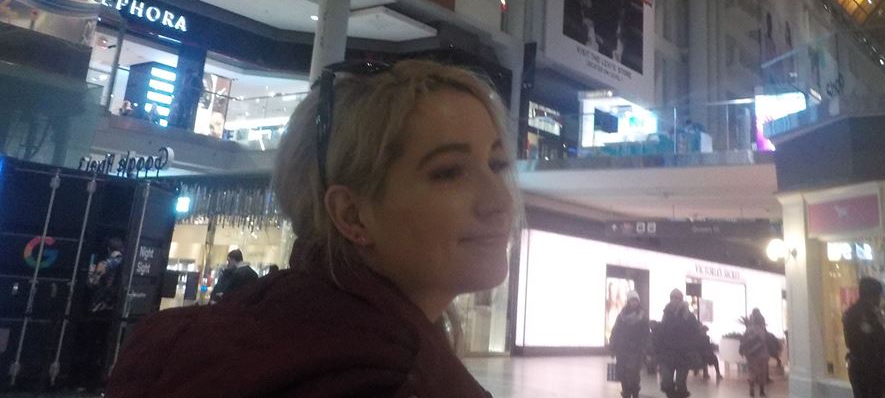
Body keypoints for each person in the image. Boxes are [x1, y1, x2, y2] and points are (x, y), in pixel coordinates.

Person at [106, 60, 515, 397]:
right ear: (352, 215)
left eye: (497, 164)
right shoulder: (389, 379)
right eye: (449, 172)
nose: (500, 200)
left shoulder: (207, 338)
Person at [71, 237, 124, 392]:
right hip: (114, 310)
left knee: (91, 345)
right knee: (106, 345)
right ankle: (102, 380)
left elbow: (92, 282)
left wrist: (90, 275)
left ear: (108, 249)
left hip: (98, 309)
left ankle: (86, 382)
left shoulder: (106, 263)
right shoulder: (124, 262)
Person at [842, 276, 885, 398]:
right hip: (868, 370)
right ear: (870, 296)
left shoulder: (855, 313)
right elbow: (869, 342)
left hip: (865, 368)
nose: (879, 299)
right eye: (878, 295)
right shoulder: (863, 315)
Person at [655, 288, 700, 398]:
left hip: (683, 354)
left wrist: (691, 348)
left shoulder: (688, 316)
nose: (675, 300)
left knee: (680, 383)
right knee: (666, 382)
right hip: (668, 353)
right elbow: (662, 332)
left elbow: (695, 333)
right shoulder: (666, 313)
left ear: (681, 299)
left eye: (678, 298)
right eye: (673, 298)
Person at [610, 290, 649, 398]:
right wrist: (612, 346)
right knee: (623, 374)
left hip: (636, 351)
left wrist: (644, 349)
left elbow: (646, 334)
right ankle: (626, 393)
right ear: (628, 302)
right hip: (622, 350)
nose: (634, 303)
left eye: (635, 300)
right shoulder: (621, 316)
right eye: (632, 300)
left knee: (634, 375)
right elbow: (615, 331)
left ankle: (635, 393)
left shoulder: (642, 317)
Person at [739, 309, 770, 397]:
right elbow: (765, 340)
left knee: (752, 371)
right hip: (762, 354)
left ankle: (751, 389)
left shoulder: (748, 329)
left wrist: (743, 351)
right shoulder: (762, 329)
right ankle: (761, 391)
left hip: (751, 354)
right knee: (762, 372)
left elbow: (743, 340)